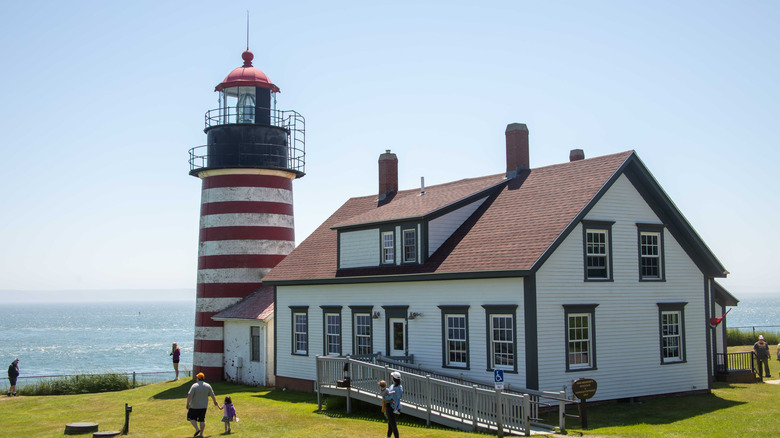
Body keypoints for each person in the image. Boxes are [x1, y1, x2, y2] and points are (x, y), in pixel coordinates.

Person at [186, 372, 219, 437]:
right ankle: (201, 434)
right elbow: (212, 394)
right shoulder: (207, 385)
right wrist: (215, 401)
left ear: (198, 378)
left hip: (194, 406)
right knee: (202, 419)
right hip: (204, 406)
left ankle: (197, 429)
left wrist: (188, 403)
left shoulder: (194, 386)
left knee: (191, 417)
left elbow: (190, 395)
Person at [383, 371, 404, 438]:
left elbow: (388, 397)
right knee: (391, 423)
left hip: (391, 407)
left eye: (392, 376)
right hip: (398, 408)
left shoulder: (392, 387)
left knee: (393, 425)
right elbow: (399, 396)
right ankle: (388, 436)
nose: (391, 377)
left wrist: (383, 394)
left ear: (393, 378)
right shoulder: (400, 387)